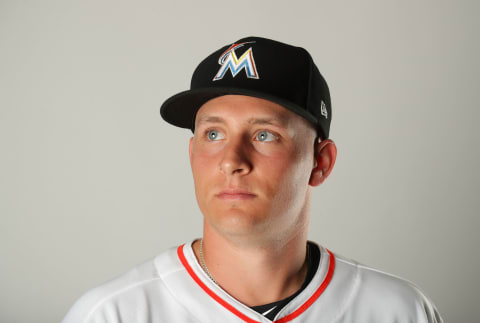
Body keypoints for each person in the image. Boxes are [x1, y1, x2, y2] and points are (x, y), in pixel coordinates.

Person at [62, 36, 443, 323]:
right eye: (213, 134)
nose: (232, 160)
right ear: (192, 154)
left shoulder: (398, 311)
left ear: (320, 162)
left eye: (264, 135)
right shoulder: (112, 315)